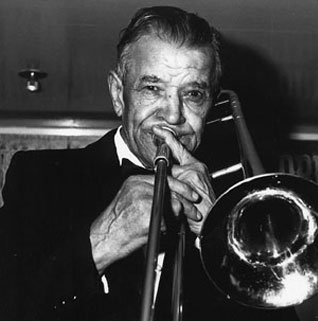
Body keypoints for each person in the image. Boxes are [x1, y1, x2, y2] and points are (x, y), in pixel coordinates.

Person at [0, 6, 300, 321]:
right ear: (118, 94)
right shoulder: (39, 177)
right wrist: (106, 238)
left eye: (193, 94)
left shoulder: (234, 211)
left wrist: (220, 245)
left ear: (211, 104)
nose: (173, 115)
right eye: (153, 89)